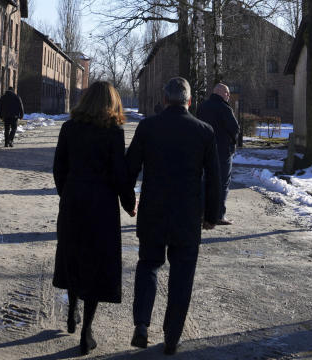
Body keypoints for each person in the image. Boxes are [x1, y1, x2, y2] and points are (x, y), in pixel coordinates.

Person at [126, 77, 221, 355]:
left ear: (165, 100)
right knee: (182, 275)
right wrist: (212, 215)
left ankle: (142, 324)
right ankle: (172, 337)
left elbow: (130, 166)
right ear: (189, 101)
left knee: (148, 265)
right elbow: (214, 179)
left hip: (153, 211)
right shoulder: (204, 131)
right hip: (187, 215)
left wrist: (128, 199)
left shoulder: (148, 127)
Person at [52, 80, 136, 356]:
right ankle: (87, 330)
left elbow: (59, 166)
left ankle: (72, 309)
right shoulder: (112, 132)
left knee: (74, 255)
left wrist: (66, 193)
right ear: (112, 103)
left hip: (74, 199)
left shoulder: (69, 128)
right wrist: (128, 202)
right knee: (96, 263)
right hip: (101, 204)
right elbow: (118, 172)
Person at [196, 82, 239, 226]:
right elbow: (235, 129)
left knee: (204, 182)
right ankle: (219, 215)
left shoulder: (202, 107)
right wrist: (232, 142)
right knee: (221, 183)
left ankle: (202, 213)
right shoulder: (225, 108)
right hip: (222, 152)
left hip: (204, 150)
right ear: (221, 93)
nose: (228, 95)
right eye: (227, 93)